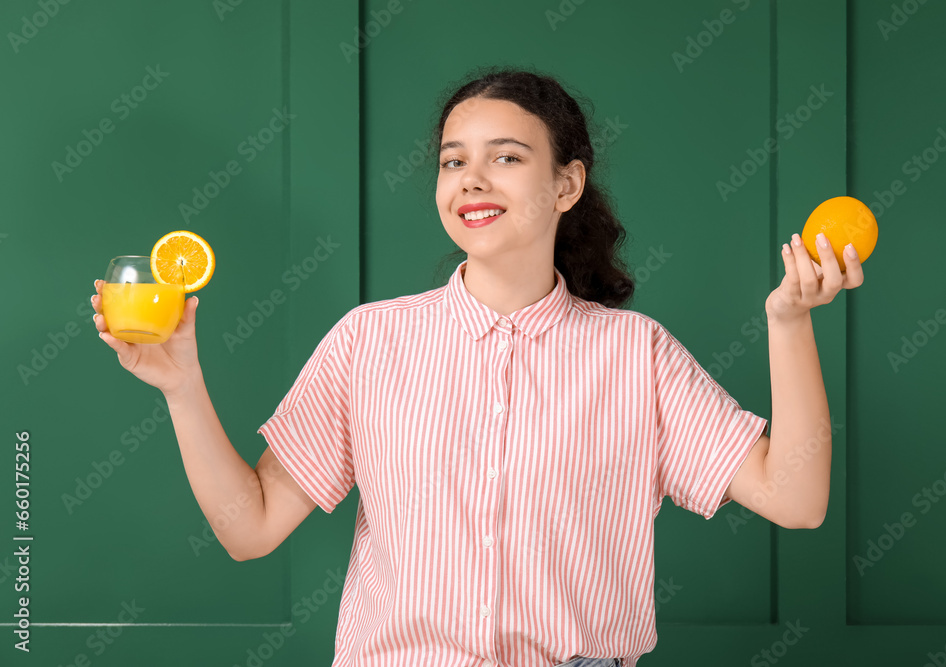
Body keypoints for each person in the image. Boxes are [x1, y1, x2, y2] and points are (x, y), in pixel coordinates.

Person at [91, 66, 863, 667]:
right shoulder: (370, 342)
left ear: (567, 184)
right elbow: (248, 528)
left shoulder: (638, 356)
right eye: (454, 160)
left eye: (507, 157)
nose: (471, 179)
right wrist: (182, 385)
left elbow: (796, 497)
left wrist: (787, 322)